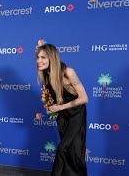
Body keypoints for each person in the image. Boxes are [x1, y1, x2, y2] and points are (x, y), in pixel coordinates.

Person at [36, 44, 88, 176]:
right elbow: (56, 98)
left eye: (43, 57)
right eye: (37, 57)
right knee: (71, 152)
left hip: (76, 115)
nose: (38, 61)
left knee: (65, 149)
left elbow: (84, 98)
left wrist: (60, 107)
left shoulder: (68, 72)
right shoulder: (46, 75)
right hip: (62, 117)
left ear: (52, 58)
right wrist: (52, 108)